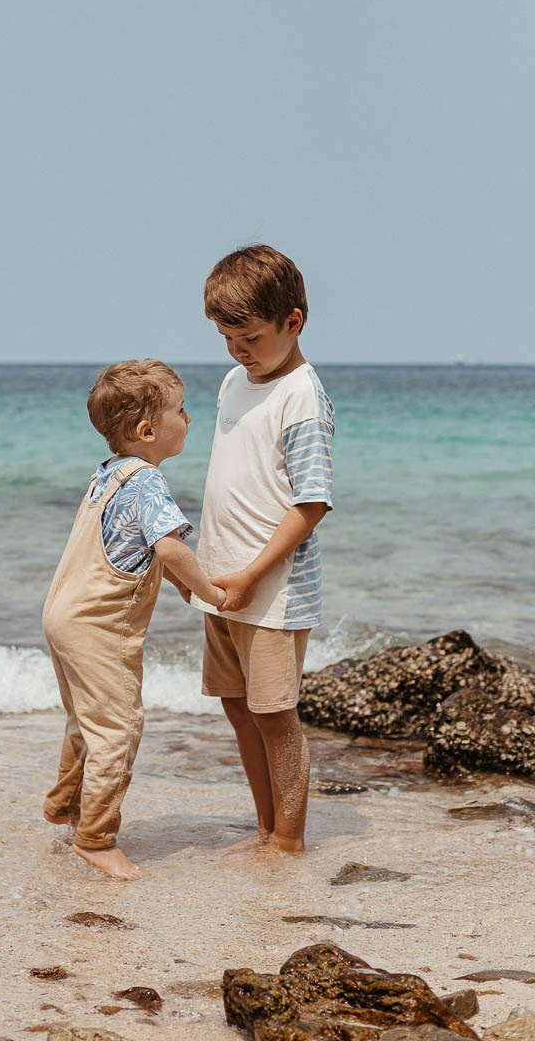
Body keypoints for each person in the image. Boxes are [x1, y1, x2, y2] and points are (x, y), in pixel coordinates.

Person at [42, 359, 225, 880]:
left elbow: (135, 550)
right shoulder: (148, 483)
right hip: (100, 628)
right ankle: (96, 838)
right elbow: (168, 548)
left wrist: (183, 590)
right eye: (181, 411)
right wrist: (209, 589)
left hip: (63, 614)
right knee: (118, 729)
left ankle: (63, 804)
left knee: (85, 720)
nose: (189, 419)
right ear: (148, 431)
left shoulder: (108, 476)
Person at [191, 245, 334, 855]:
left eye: (249, 336)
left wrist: (252, 573)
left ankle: (291, 840)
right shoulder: (233, 382)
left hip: (270, 591)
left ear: (292, 321)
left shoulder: (302, 397)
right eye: (227, 338)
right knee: (236, 705)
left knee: (275, 714)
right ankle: (264, 828)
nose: (237, 351)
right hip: (222, 582)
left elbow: (311, 503)